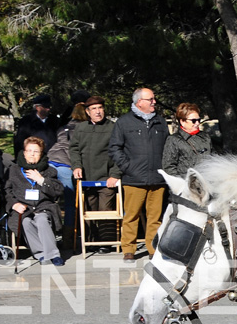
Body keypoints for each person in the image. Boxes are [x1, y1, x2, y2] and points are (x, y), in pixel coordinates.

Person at [109, 87, 169, 262]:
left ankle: (153, 248)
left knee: (155, 217)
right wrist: (128, 167)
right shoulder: (124, 122)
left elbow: (168, 146)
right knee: (131, 216)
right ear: (139, 102)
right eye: (150, 99)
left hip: (157, 179)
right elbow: (114, 148)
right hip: (133, 178)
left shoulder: (160, 122)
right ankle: (129, 249)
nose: (154, 102)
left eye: (153, 99)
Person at [71, 96, 122, 253]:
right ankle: (91, 241)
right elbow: (73, 149)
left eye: (100, 108)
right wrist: (76, 166)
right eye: (94, 109)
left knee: (105, 210)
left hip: (107, 177)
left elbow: (119, 152)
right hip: (86, 177)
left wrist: (115, 174)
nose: (98, 112)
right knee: (89, 209)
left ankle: (106, 243)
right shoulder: (80, 129)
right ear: (87, 111)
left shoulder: (113, 127)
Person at [5, 137, 64, 266]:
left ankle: (54, 255)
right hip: (23, 207)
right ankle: (41, 254)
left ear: (41, 154)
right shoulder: (14, 170)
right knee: (25, 221)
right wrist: (14, 204)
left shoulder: (49, 170)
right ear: (24, 153)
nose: (32, 154)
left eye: (36, 151)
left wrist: (41, 180)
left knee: (42, 219)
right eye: (29, 151)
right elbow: (7, 191)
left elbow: (58, 190)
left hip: (43, 206)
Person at [47, 101, 87, 248]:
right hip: (65, 165)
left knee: (50, 200)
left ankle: (50, 233)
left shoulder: (63, 127)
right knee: (70, 203)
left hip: (51, 162)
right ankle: (68, 238)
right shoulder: (83, 129)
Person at [163, 103, 213, 177]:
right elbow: (169, 167)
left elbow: (213, 158)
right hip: (186, 184)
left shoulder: (206, 137)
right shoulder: (173, 139)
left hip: (207, 182)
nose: (197, 123)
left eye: (199, 120)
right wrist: (182, 183)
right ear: (182, 121)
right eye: (193, 121)